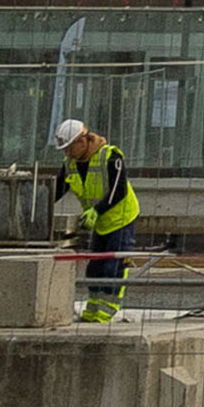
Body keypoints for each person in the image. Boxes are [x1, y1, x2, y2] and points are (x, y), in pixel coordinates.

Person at [54, 116, 144, 322]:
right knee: (94, 267)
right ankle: (93, 305)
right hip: (100, 222)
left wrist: (96, 210)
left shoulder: (110, 156)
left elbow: (118, 190)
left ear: (82, 141)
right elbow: (57, 190)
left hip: (121, 218)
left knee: (114, 265)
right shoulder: (70, 164)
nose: (67, 153)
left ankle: (108, 307)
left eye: (69, 148)